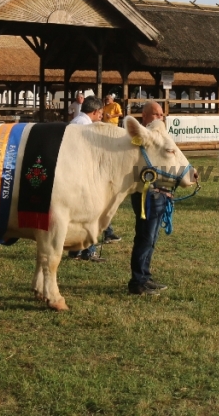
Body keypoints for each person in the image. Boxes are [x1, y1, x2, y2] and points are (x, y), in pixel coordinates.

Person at [67, 96, 122, 260]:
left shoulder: (77, 122)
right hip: (83, 175)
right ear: (95, 111)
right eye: (100, 114)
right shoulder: (85, 126)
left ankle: (75, 250)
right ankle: (88, 251)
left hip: (75, 173)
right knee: (92, 213)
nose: (101, 117)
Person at [128, 101, 170, 295]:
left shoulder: (160, 138)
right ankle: (138, 281)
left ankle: (145, 276)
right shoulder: (139, 139)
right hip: (146, 194)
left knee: (151, 237)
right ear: (144, 117)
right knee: (145, 237)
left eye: (161, 114)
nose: (160, 118)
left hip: (158, 193)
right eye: (156, 114)